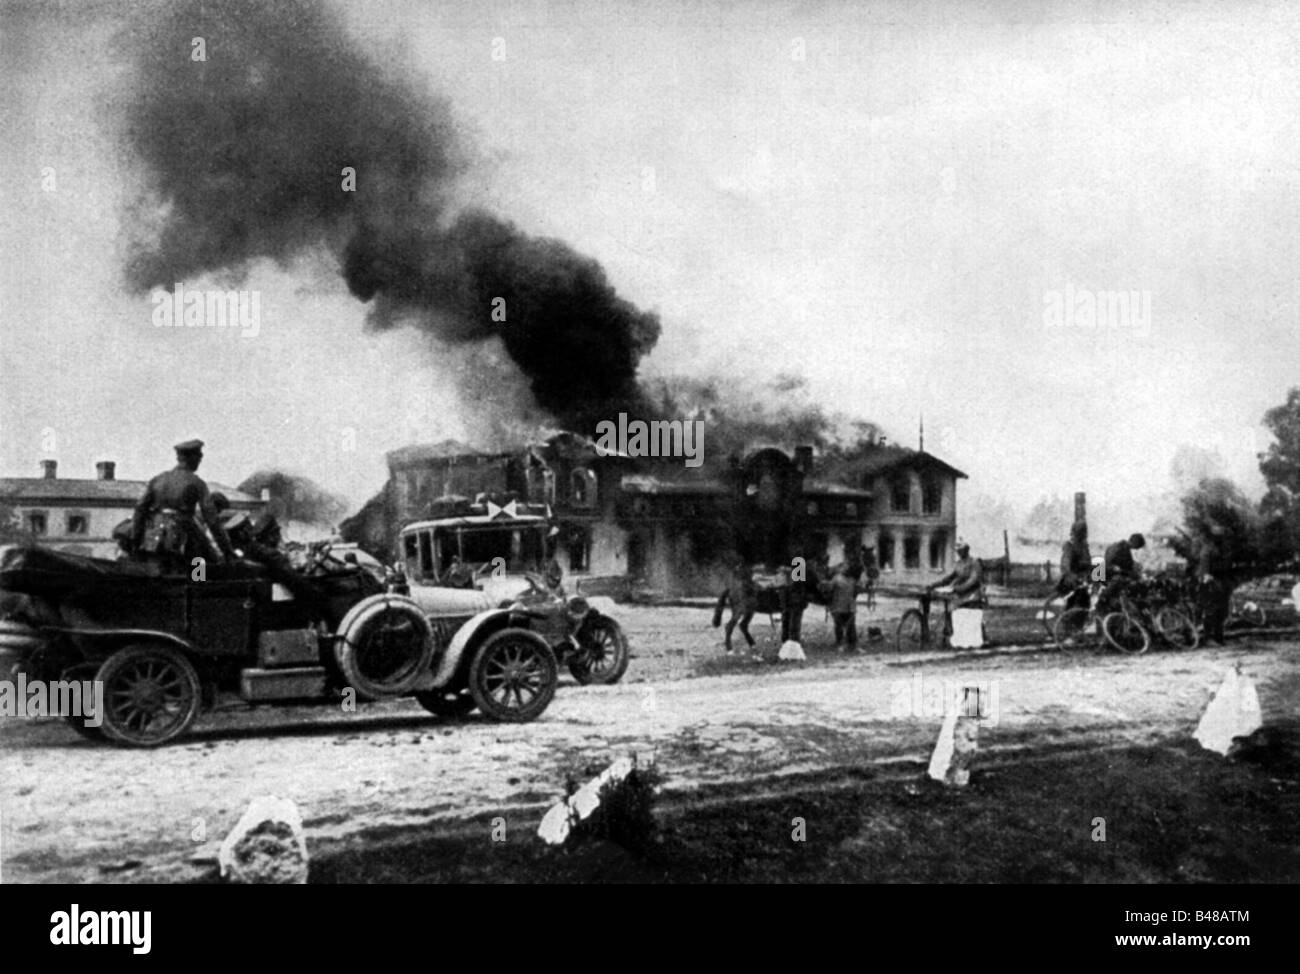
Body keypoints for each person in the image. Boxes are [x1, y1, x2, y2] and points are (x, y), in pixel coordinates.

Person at [130, 439, 235, 574]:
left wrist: (136, 542)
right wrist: (227, 551)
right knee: (202, 567)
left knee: (155, 577)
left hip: (154, 540)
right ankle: (198, 588)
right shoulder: (197, 483)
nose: (199, 461)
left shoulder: (158, 479)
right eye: (198, 457)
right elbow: (212, 520)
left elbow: (140, 510)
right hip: (185, 538)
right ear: (191, 458)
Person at [712, 561, 758, 655]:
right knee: (736, 616)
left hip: (752, 578)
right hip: (748, 582)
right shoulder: (744, 565)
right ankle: (728, 645)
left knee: (746, 617)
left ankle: (751, 642)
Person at [1197, 525, 1232, 646]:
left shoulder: (1223, 548)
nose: (1220, 539)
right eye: (1218, 537)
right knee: (1211, 611)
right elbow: (1204, 564)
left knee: (1222, 611)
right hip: (1211, 582)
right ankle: (1208, 638)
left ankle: (1219, 637)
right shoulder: (1208, 549)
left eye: (1221, 536)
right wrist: (1206, 576)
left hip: (1222, 581)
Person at [1100, 532, 1146, 611]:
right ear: (1135, 542)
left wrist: (1136, 565)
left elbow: (1127, 563)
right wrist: (1117, 569)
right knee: (1120, 581)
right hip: (1109, 574)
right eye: (1138, 546)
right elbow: (1110, 562)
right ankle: (1103, 599)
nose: (1137, 549)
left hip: (1115, 573)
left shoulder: (1124, 548)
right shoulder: (1119, 547)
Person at [823, 563, 861, 653]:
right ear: (840, 569)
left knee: (851, 626)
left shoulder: (852, 580)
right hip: (838, 606)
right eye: (844, 568)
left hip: (850, 607)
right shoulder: (836, 579)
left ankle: (853, 645)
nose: (846, 569)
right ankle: (840, 644)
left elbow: (856, 592)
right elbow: (829, 589)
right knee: (839, 626)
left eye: (847, 567)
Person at [1058, 521, 1093, 611]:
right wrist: (1076, 577)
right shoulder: (1070, 547)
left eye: (1084, 532)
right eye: (1081, 532)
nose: (1084, 534)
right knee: (1078, 600)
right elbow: (1066, 566)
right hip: (1071, 579)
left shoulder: (1083, 546)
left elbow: (1087, 562)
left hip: (1081, 576)